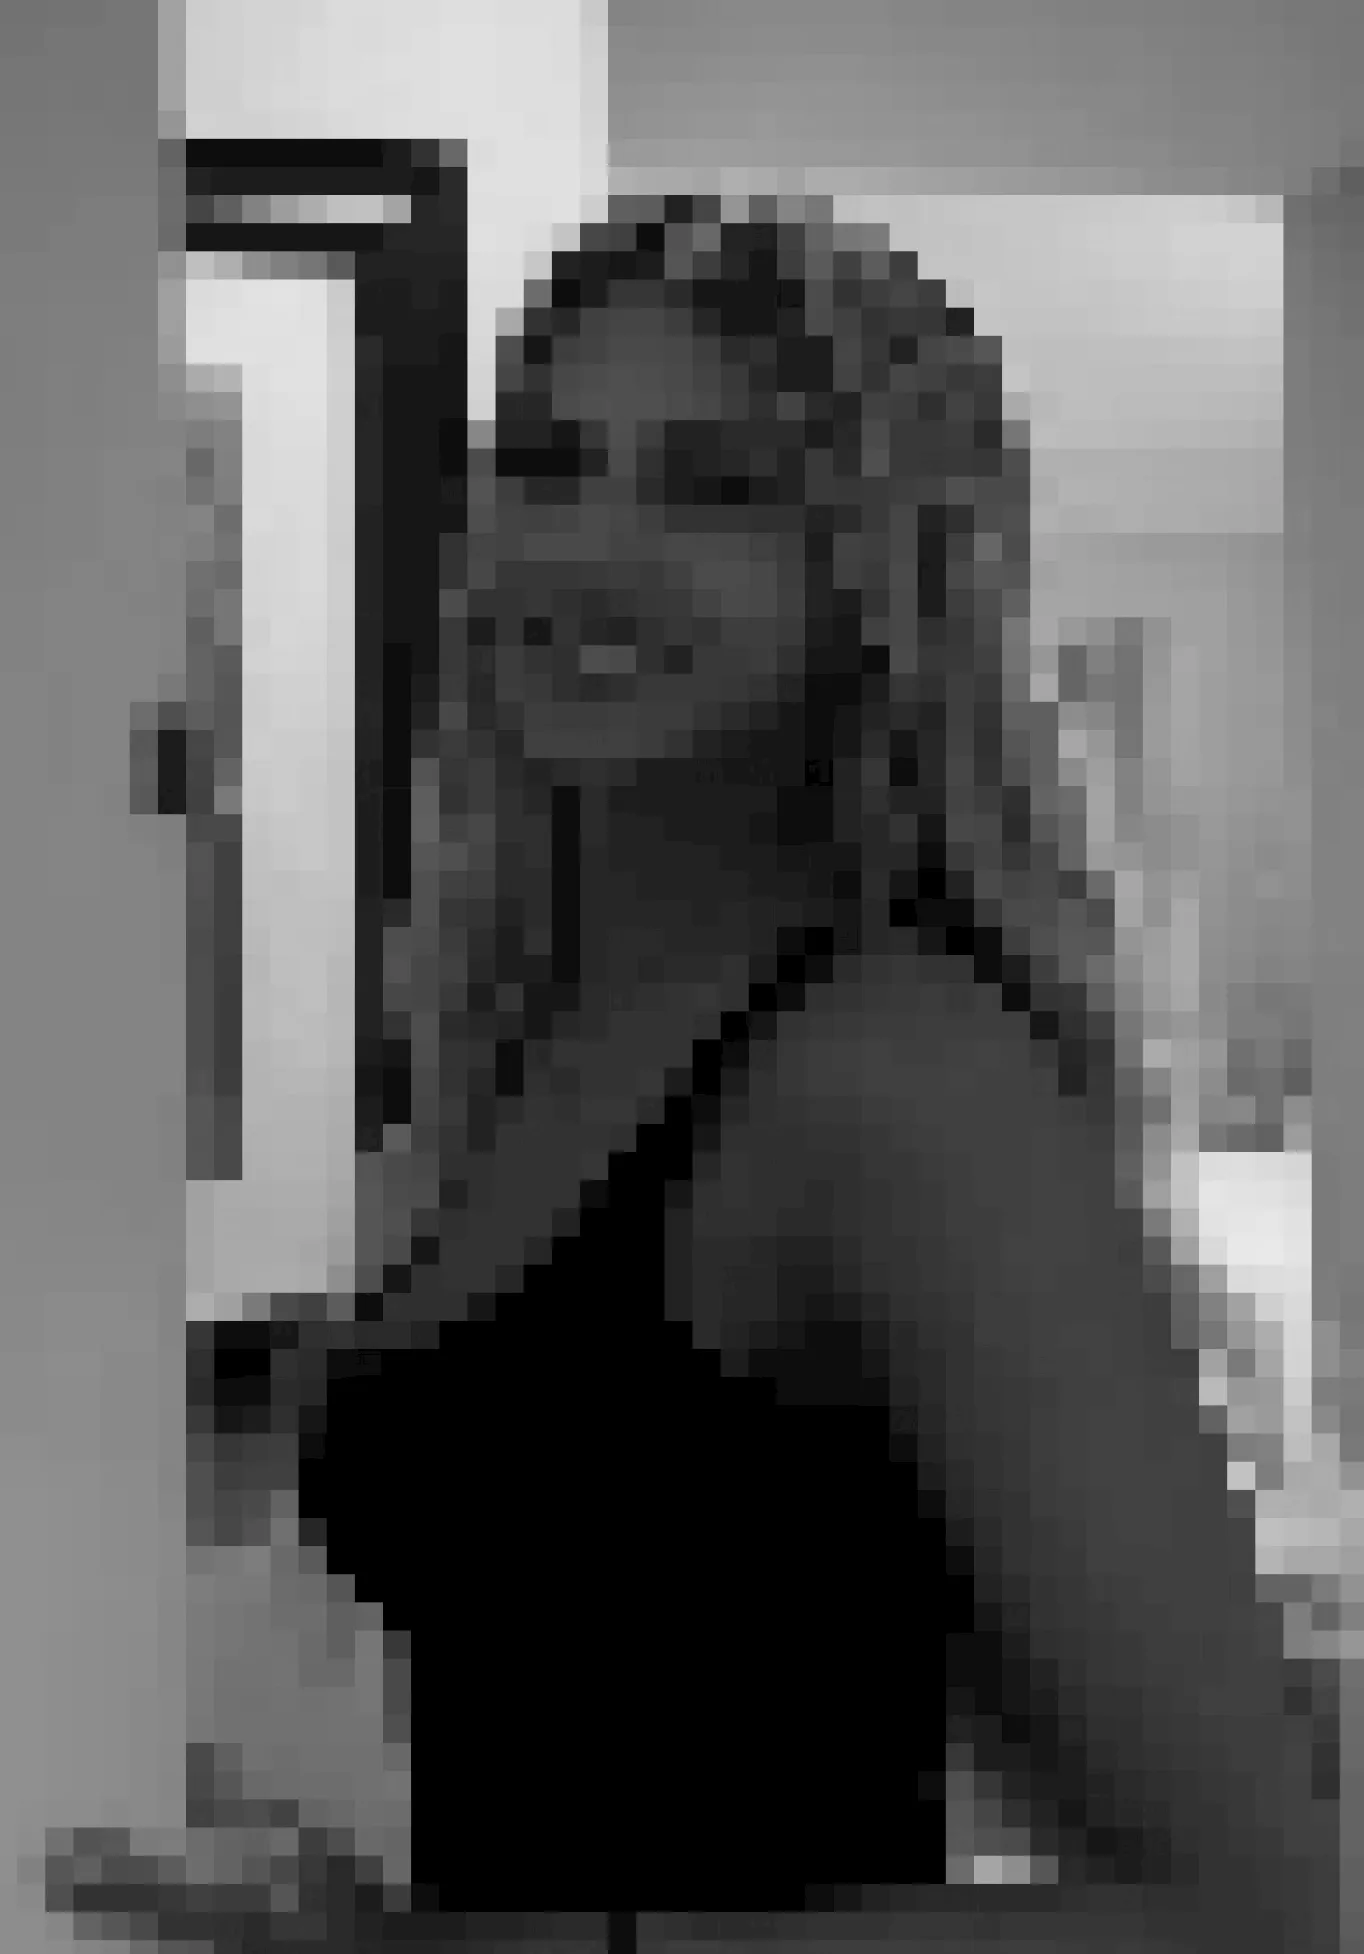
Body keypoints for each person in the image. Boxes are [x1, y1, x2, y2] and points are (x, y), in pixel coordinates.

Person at [294, 195, 1330, 1947]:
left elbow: (1254, 1907)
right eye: (547, 464)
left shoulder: (890, 1073)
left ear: (880, 586)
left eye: (716, 489)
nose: (588, 545)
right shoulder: (532, 1026)